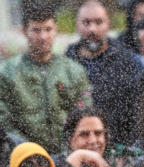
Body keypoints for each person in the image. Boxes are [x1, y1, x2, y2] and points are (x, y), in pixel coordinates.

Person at [0, 4, 91, 154]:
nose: (43, 37)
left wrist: (68, 153)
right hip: (24, 156)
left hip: (69, 155)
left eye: (48, 29)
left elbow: (84, 117)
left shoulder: (74, 71)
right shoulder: (7, 72)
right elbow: (4, 121)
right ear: (24, 31)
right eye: (36, 30)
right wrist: (30, 151)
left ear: (55, 29)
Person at [66, 0, 142, 145]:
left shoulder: (127, 62)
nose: (92, 29)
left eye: (98, 22)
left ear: (108, 23)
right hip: (77, 147)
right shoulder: (66, 63)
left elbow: (137, 112)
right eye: (86, 22)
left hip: (118, 147)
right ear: (77, 24)